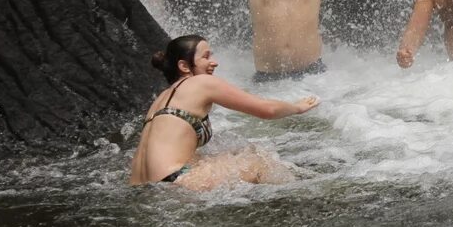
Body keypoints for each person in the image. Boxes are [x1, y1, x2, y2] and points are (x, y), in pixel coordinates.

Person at [129, 35, 320, 189]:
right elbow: (267, 110)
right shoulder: (202, 83)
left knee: (237, 153)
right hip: (174, 181)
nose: (215, 62)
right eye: (206, 57)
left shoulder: (162, 97)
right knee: (258, 163)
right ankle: (309, 192)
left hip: (144, 187)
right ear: (184, 66)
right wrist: (297, 107)